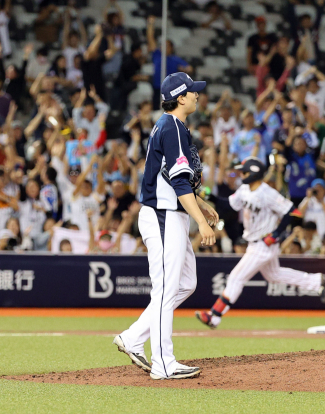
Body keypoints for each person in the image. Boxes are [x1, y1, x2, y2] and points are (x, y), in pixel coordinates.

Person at [113, 73, 217, 381]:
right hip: (162, 215)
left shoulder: (173, 126)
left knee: (185, 283)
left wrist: (199, 204)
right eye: (193, 92)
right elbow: (179, 179)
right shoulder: (171, 126)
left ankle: (133, 338)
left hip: (172, 213)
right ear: (180, 98)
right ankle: (163, 363)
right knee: (164, 288)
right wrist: (200, 220)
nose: (197, 95)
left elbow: (172, 176)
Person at [196, 157, 325, 330]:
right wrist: (207, 195)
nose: (241, 174)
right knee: (274, 275)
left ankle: (214, 316)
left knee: (236, 277)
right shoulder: (244, 189)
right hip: (254, 242)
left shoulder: (267, 192)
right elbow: (227, 205)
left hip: (263, 245)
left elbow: (292, 211)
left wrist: (276, 233)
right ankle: (316, 281)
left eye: (244, 172)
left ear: (254, 173)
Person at [146, 16, 192, 108]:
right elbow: (150, 38)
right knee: (156, 107)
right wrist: (150, 25)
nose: (163, 47)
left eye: (166, 46)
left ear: (171, 48)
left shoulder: (175, 59)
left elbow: (189, 68)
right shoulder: (157, 54)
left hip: (170, 89)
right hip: (157, 86)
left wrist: (184, 69)